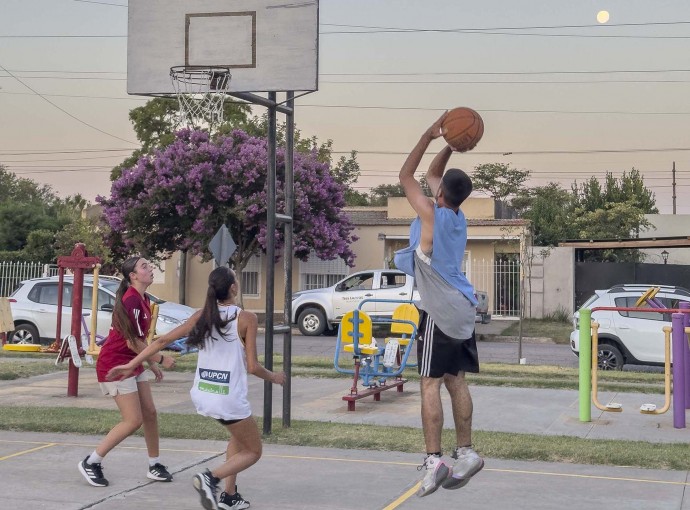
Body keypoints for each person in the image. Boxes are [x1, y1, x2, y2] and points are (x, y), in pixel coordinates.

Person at [107, 266, 286, 510]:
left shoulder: (202, 315)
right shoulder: (247, 318)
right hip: (227, 397)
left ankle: (229, 496)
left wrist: (132, 363)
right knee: (253, 451)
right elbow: (253, 367)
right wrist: (274, 377)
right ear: (233, 288)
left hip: (204, 393)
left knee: (238, 437)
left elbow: (162, 340)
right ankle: (210, 478)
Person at [394, 113, 484, 497]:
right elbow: (434, 174)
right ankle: (466, 452)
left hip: (440, 308)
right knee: (455, 380)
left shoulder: (430, 214)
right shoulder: (458, 216)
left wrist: (429, 134)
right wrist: (452, 141)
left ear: (441, 194)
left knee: (428, 382)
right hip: (464, 305)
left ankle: (434, 458)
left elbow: (406, 176)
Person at [78, 256, 177, 487]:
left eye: (148, 265)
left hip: (132, 362)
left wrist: (150, 363)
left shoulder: (141, 299)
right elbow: (132, 342)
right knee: (133, 420)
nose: (150, 268)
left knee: (150, 413)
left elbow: (139, 339)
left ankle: (154, 464)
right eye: (145, 266)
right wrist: (160, 358)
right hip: (116, 365)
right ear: (133, 276)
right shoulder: (131, 300)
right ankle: (92, 462)